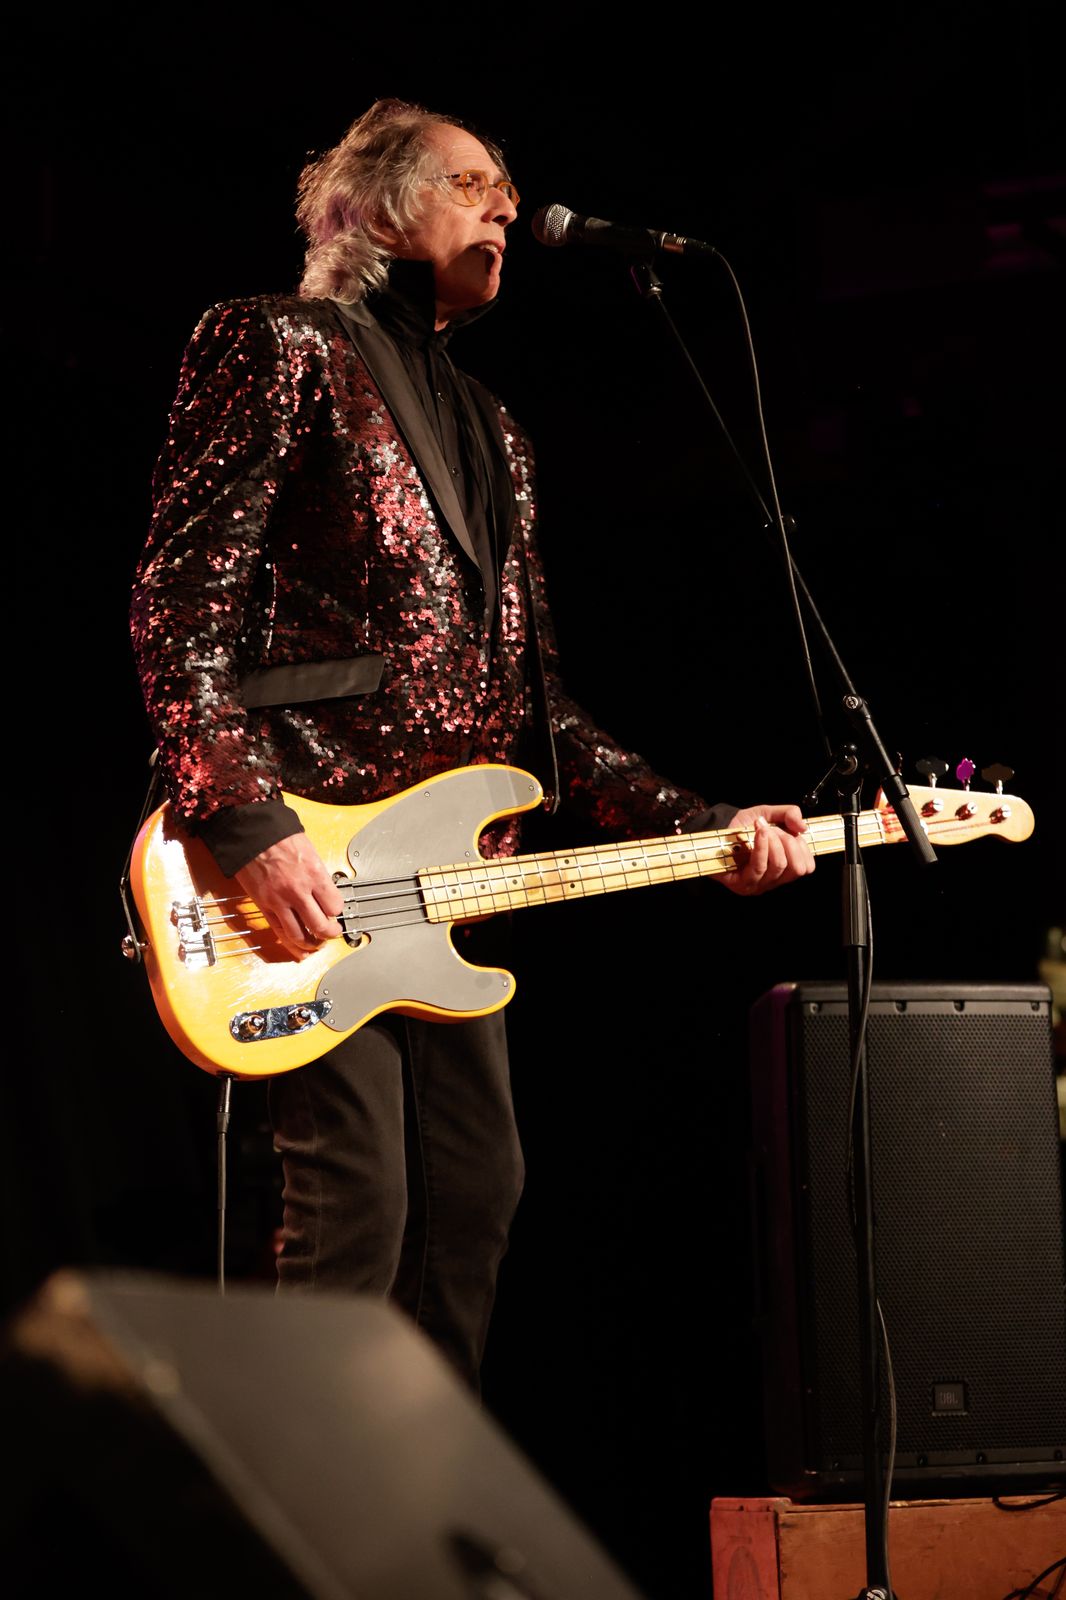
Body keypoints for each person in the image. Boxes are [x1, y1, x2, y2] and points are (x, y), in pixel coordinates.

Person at [130, 98, 814, 1391]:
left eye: (506, 187)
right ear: (378, 207)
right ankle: (303, 1503)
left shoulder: (497, 430)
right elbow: (182, 602)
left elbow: (538, 715)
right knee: (356, 1206)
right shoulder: (273, 341)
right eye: (471, 182)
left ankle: (414, 1488)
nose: (505, 203)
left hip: (446, 886)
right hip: (306, 855)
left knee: (474, 1203)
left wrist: (703, 823)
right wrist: (249, 821)